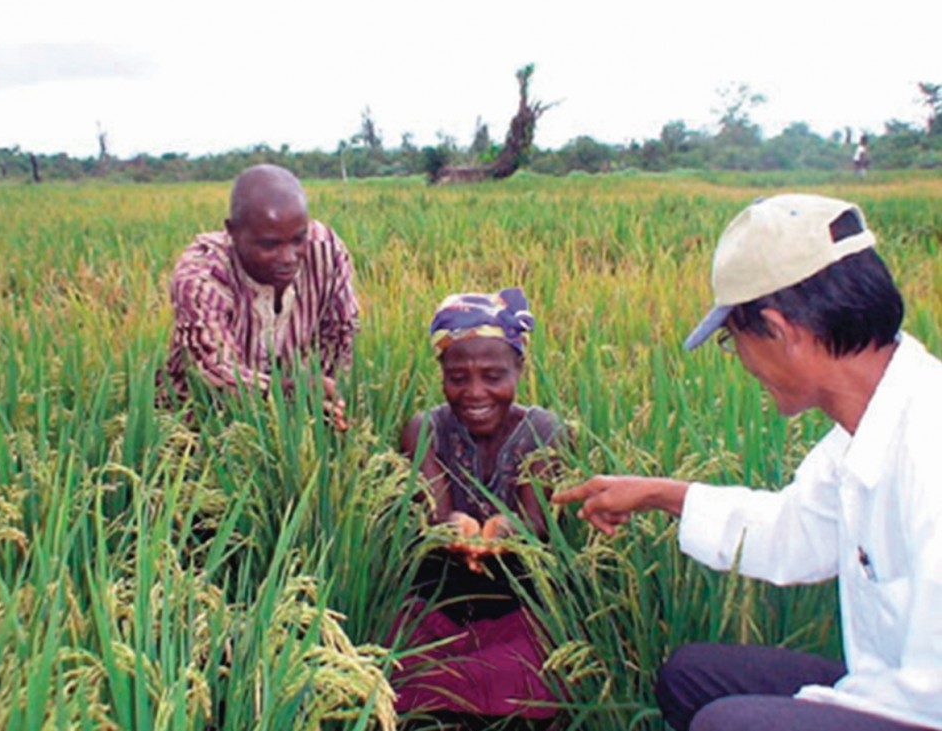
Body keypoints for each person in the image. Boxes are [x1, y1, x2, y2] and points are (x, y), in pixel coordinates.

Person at [554, 194, 941, 730]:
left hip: (924, 711)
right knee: (692, 676)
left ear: (781, 331)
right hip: (891, 693)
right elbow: (796, 531)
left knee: (731, 724)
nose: (741, 364)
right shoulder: (863, 432)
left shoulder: (930, 450)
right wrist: (660, 494)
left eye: (734, 341)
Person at [389, 287, 566, 726]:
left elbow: (536, 524)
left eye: (493, 375)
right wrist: (456, 527)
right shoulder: (424, 429)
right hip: (441, 596)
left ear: (519, 369)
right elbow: (435, 515)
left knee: (543, 669)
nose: (475, 392)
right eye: (458, 377)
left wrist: (503, 530)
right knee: (394, 661)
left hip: (517, 598)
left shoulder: (544, 431)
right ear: (442, 375)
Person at [160, 164, 358, 428]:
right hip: (204, 417)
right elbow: (214, 369)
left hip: (296, 416)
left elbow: (342, 335)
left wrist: (328, 402)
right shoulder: (203, 274)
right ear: (233, 232)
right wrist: (295, 392)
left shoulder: (326, 251)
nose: (289, 258)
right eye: (269, 245)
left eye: (298, 240)